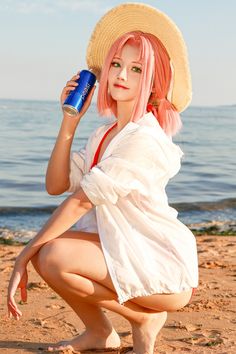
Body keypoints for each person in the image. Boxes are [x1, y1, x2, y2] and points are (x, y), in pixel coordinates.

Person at [7, 3, 198, 354]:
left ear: (153, 83)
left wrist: (24, 255)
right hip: (123, 251)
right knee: (48, 249)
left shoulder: (144, 138)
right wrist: (70, 120)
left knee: (51, 254)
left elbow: (80, 200)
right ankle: (101, 333)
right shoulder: (105, 134)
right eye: (116, 65)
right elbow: (56, 186)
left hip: (160, 266)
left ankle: (143, 319)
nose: (121, 75)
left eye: (136, 69)